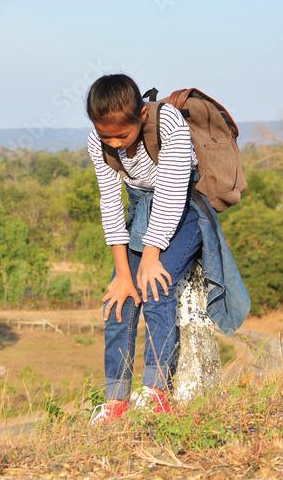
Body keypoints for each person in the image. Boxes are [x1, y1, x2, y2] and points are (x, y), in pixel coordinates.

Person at [84, 73, 202, 422]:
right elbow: (111, 203)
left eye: (123, 134)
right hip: (141, 211)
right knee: (119, 301)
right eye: (107, 135)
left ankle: (156, 393)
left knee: (155, 287)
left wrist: (151, 257)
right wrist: (123, 272)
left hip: (188, 207)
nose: (115, 143)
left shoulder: (168, 124)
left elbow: (171, 193)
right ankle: (116, 403)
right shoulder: (98, 141)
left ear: (143, 116)